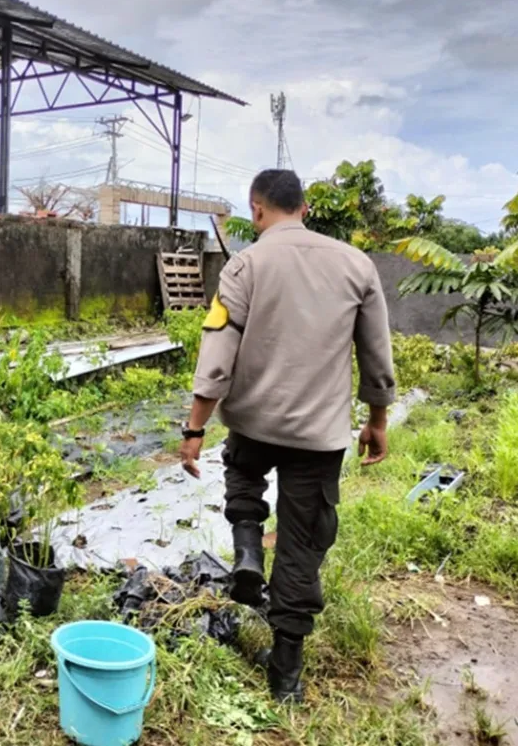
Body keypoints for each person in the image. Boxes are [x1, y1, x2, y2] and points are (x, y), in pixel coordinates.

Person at [178, 170, 395, 703]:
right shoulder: (356, 265)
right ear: (305, 208)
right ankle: (286, 674)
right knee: (302, 543)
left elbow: (217, 351)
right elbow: (376, 352)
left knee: (243, 477)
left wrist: (195, 428)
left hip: (253, 424)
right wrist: (377, 419)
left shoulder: (245, 264)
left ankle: (248, 551)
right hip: (319, 435)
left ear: (256, 209)